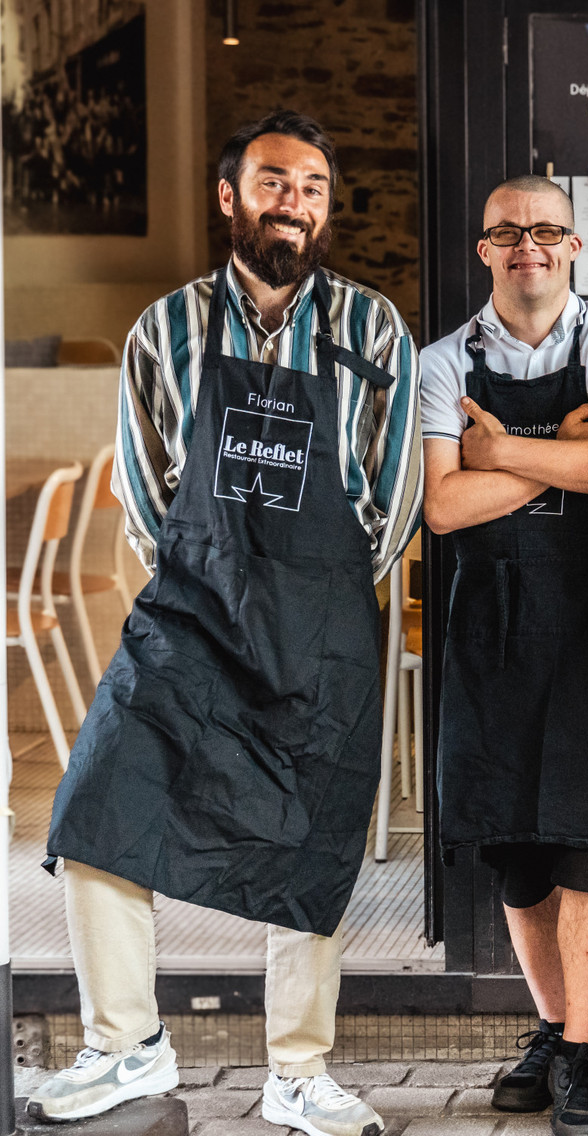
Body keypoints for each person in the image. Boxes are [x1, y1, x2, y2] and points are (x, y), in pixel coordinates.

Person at [31, 111, 422, 1136]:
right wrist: (217, 578)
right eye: (274, 181)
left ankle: (298, 1069)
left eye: (313, 189)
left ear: (327, 210)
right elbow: (153, 488)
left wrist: (317, 587)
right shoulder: (161, 331)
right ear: (231, 197)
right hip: (192, 612)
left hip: (324, 620)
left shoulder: (375, 331)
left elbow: (394, 488)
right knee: (98, 808)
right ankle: (125, 1043)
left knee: (311, 835)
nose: (294, 200)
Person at [420, 175, 588, 1135]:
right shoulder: (443, 359)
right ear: (483, 249)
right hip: (490, 627)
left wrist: (498, 455)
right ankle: (556, 1026)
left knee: (585, 841)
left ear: (575, 246)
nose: (529, 247)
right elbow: (442, 509)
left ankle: (579, 1052)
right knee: (515, 849)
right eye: (508, 234)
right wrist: (563, 453)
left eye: (547, 231)